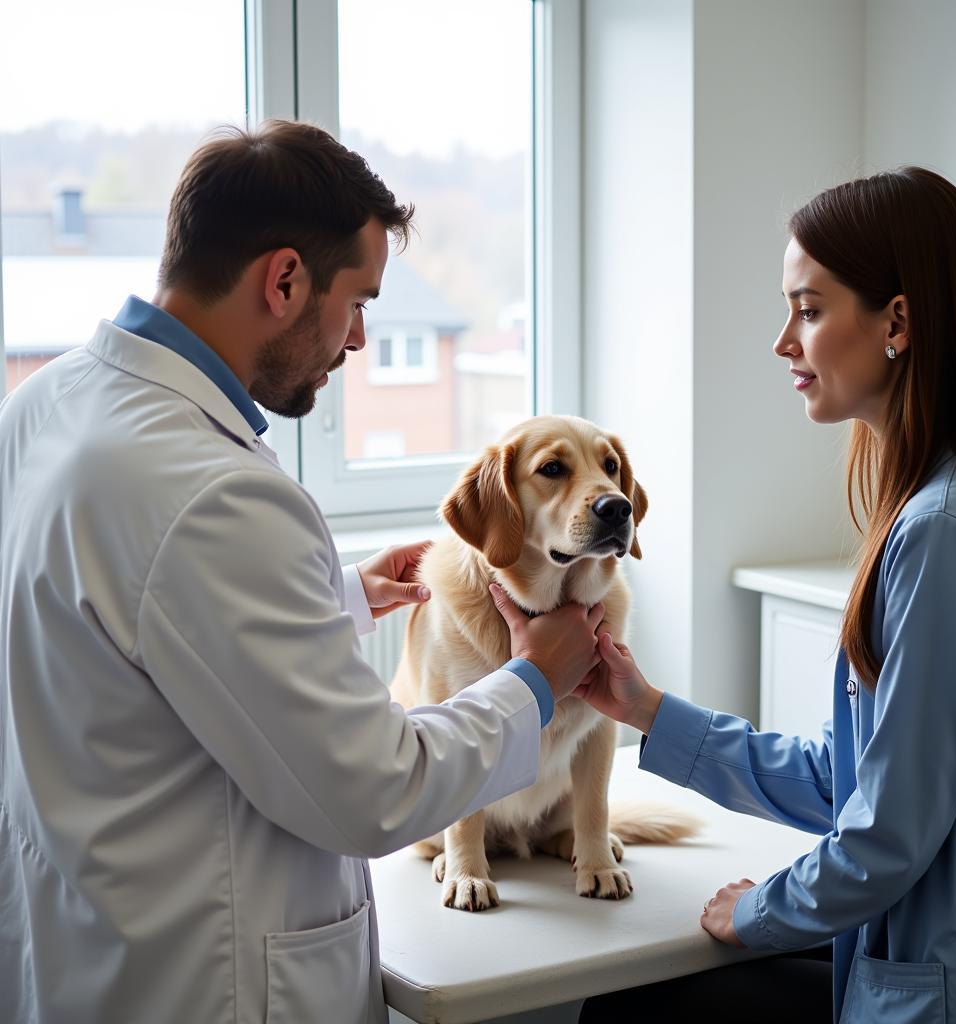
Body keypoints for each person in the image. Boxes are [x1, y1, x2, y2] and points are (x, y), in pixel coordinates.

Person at [0, 120, 605, 1024]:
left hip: (82, 943)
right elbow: (377, 788)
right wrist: (534, 683)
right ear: (284, 280)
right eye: (357, 302)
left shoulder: (43, 406)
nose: (359, 340)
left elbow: (129, 628)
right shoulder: (215, 495)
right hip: (208, 982)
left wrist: (342, 593)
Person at [576, 167, 956, 1024]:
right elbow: (849, 779)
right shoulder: (942, 506)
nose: (785, 341)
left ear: (897, 321)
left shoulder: (945, 534)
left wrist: (757, 911)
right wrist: (645, 709)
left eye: (809, 310)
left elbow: (887, 831)